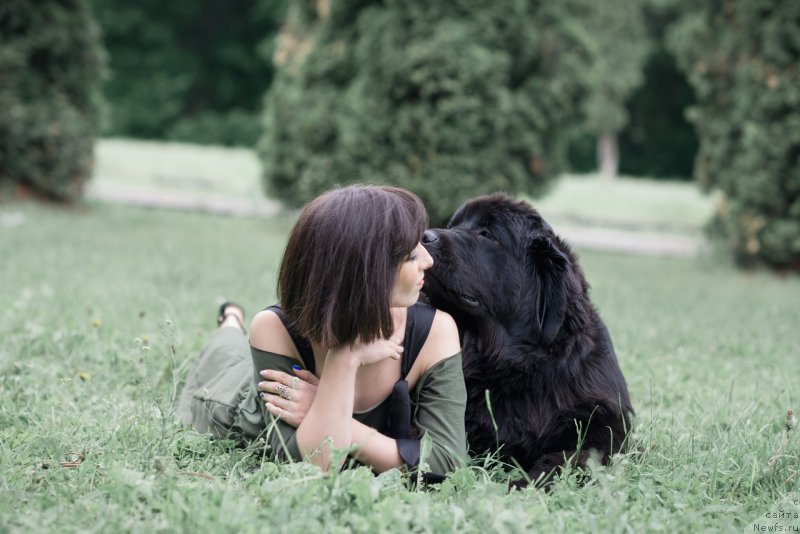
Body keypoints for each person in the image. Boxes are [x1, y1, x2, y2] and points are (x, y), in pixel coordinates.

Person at [177, 185, 467, 478]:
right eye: (410, 255)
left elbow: (446, 462)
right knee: (226, 349)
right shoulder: (273, 328)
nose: (428, 261)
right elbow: (314, 467)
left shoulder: (436, 331)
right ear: (362, 270)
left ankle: (231, 320)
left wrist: (328, 412)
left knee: (233, 349)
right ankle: (231, 319)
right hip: (228, 400)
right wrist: (346, 357)